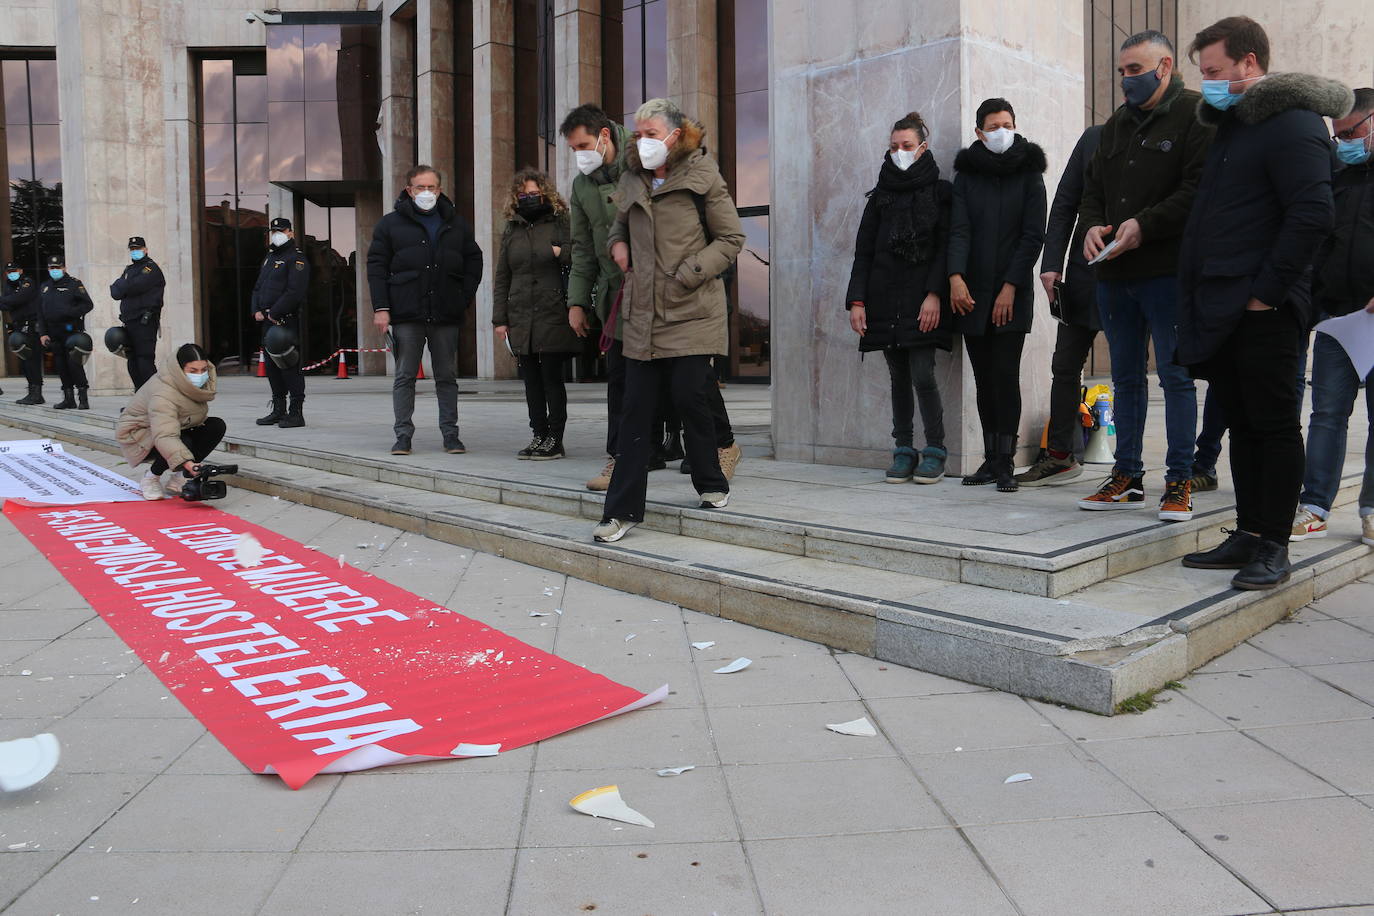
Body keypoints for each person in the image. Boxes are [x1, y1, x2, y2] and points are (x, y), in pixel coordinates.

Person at [1177, 16, 1351, 589]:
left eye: (1217, 72)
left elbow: (1311, 215)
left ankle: (1275, 543)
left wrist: (1264, 296)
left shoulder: (1294, 122)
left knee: (1274, 426)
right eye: (1203, 75)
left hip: (1264, 308)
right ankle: (1249, 531)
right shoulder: (1236, 126)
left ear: (1250, 63)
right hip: (1224, 304)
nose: (1209, 85)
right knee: (1242, 422)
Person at [1076, 30, 1214, 521]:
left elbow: (1199, 189)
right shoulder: (1114, 127)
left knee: (1175, 377)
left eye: (1134, 70)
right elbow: (1093, 189)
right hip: (1115, 274)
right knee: (1125, 377)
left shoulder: (1195, 114)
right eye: (1121, 72)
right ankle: (1127, 475)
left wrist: (1145, 225)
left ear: (1165, 66)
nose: (1125, 81)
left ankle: (1179, 480)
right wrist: (1093, 225)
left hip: (1168, 272)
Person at [594, 98, 745, 543]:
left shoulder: (703, 177)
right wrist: (617, 247)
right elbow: (617, 227)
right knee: (635, 410)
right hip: (642, 311)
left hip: (692, 308)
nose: (643, 142)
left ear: (676, 136)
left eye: (652, 134)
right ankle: (620, 512)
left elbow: (732, 237)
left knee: (688, 396)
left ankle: (711, 481)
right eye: (638, 134)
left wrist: (690, 272)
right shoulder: (630, 178)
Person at [845, 110, 952, 484]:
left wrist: (935, 294)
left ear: (922, 148)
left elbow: (944, 250)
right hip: (883, 300)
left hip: (923, 300)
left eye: (907, 146)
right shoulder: (880, 198)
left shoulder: (940, 193)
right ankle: (903, 449)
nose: (899, 152)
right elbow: (863, 252)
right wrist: (857, 301)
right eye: (893, 147)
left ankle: (935, 450)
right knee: (898, 377)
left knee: (923, 373)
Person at [947, 97, 1047, 493]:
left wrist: (1011, 286)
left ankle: (1006, 461)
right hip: (970, 295)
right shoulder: (967, 176)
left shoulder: (1029, 173)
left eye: (1007, 123)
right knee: (984, 379)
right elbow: (958, 229)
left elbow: (1032, 235)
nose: (1001, 131)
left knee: (1005, 377)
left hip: (1011, 294)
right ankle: (989, 459)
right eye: (993, 125)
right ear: (979, 132)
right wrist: (955, 278)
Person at [1291, 87, 1374, 548]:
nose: (1341, 141)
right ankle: (1315, 506)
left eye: (1350, 132)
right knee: (1326, 414)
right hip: (1337, 320)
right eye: (1336, 134)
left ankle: (1372, 509)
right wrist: (1315, 300)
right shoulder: (1337, 175)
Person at [367, 164, 484, 456]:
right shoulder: (390, 224)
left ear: (440, 189)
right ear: (409, 190)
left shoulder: (457, 223)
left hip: (446, 313)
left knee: (447, 376)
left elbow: (474, 260)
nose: (427, 193)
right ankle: (403, 436)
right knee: (405, 376)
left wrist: (463, 296)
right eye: (420, 187)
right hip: (407, 313)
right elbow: (376, 267)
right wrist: (381, 308)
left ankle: (451, 435)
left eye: (432, 187)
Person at [1016, 124, 1103, 486]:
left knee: (1133, 375)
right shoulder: (1094, 137)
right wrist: (1052, 263)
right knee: (1064, 365)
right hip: (1084, 274)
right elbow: (1065, 202)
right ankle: (1060, 456)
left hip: (1135, 273)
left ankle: (1131, 468)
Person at [563, 104, 635, 489]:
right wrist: (577, 301)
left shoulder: (640, 163)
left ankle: (709, 448)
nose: (580, 155)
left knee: (680, 381)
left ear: (604, 135)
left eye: (584, 145)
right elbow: (581, 249)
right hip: (615, 297)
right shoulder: (581, 186)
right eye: (573, 149)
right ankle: (618, 459)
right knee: (620, 382)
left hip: (656, 290)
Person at [493, 168, 579, 460]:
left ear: (544, 193)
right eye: (522, 194)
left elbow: (579, 254)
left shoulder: (560, 221)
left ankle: (556, 438)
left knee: (551, 377)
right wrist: (500, 318)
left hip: (552, 310)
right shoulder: (512, 228)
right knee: (530, 379)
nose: (528, 199)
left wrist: (559, 253)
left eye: (533, 193)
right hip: (520, 314)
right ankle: (538, 434)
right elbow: (502, 275)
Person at [116, 343, 226, 501]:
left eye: (203, 370)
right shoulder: (163, 393)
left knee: (215, 426)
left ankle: (179, 478)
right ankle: (151, 478)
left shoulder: (193, 386)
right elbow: (165, 435)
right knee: (183, 441)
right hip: (139, 435)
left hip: (173, 427)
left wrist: (187, 466)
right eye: (193, 371)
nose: (200, 375)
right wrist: (189, 463)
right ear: (179, 370)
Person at [250, 216, 309, 429]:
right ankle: (278, 410)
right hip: (267, 321)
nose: (276, 234)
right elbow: (258, 287)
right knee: (273, 369)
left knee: (289, 366)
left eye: (281, 231)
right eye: (273, 231)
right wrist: (256, 309)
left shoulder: (296, 259)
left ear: (290, 233)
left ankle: (296, 413)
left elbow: (294, 292)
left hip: (285, 321)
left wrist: (274, 312)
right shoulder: (270, 257)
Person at [37, 254, 93, 411]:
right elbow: (40, 313)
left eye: (57, 267)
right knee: (61, 366)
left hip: (71, 332)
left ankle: (83, 397)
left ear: (64, 268)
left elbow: (88, 304)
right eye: (51, 268)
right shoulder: (45, 287)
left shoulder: (74, 284)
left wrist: (70, 312)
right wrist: (43, 333)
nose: (54, 270)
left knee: (74, 364)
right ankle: (68, 399)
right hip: (54, 333)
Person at [109, 235, 165, 389]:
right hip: (130, 320)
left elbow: (135, 286)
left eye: (138, 249)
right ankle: (139, 400)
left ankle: (156, 399)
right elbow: (115, 292)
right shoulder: (129, 270)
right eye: (132, 249)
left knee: (144, 361)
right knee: (133, 361)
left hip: (145, 320)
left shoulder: (151, 268)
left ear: (145, 250)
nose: (135, 251)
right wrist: (125, 286)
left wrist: (124, 285)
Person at [1, 262, 43, 405]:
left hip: (32, 326)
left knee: (32, 360)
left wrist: (8, 300)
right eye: (8, 271)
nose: (11, 273)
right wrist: (8, 301)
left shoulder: (27, 283)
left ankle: (37, 393)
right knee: (25, 361)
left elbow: (18, 299)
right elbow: (7, 304)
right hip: (19, 327)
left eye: (14, 270)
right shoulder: (9, 285)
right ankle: (32, 392)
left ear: (20, 270)